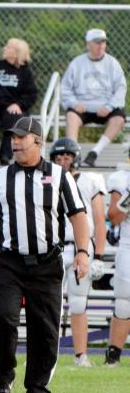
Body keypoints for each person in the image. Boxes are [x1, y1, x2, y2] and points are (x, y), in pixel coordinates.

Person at [0, 117, 90, 393]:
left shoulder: (60, 176)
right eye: (12, 137)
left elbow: (78, 216)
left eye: (21, 137)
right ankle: (4, 376)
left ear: (38, 141)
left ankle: (37, 390)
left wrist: (83, 252)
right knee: (2, 319)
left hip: (47, 264)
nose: (15, 142)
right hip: (9, 262)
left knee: (45, 329)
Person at [47, 138, 106, 366]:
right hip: (54, 246)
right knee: (47, 302)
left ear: (76, 158)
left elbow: (99, 222)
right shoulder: (48, 180)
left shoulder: (90, 180)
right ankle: (43, 353)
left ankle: (81, 355)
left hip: (81, 246)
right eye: (59, 158)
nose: (63, 162)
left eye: (67, 157)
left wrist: (98, 255)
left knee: (79, 303)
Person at [62, 28, 127, 167]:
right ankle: (74, 155)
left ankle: (94, 153)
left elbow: (121, 88)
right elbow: (65, 88)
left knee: (119, 118)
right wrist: (74, 104)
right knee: (71, 117)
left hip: (105, 108)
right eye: (97, 42)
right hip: (82, 107)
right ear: (88, 44)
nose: (101, 46)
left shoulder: (112, 63)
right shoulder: (77, 63)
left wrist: (109, 107)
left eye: (103, 42)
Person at [0, 38, 38, 166]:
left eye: (8, 47)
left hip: (12, 106)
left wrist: (19, 104)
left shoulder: (25, 71)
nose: (4, 48)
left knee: (13, 119)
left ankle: (5, 155)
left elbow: (32, 94)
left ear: (17, 52)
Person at [105, 149, 130, 365]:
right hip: (128, 245)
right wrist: (128, 197)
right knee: (124, 302)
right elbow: (113, 217)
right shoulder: (122, 180)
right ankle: (113, 356)